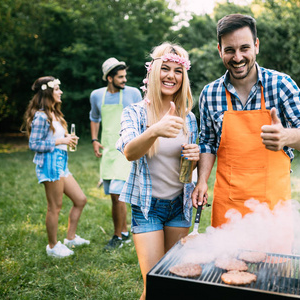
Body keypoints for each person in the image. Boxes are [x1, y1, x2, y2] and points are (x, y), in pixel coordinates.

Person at [192, 14, 300, 253]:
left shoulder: (281, 84)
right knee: (226, 272)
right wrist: (201, 181)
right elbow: (208, 142)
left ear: (257, 46)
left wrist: (286, 137)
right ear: (220, 50)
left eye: (244, 48)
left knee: (274, 279)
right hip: (228, 206)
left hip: (271, 208)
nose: (238, 57)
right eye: (230, 50)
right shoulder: (209, 94)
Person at [116, 42, 198, 300]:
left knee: (174, 282)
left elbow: (186, 167)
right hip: (147, 206)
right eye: (165, 68)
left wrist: (194, 158)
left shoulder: (190, 118)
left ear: (183, 77)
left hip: (179, 206)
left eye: (178, 71)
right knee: (154, 287)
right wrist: (155, 130)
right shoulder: (135, 113)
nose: (171, 76)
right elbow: (129, 152)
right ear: (153, 72)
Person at [23, 76, 90, 258]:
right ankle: (53, 246)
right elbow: (34, 144)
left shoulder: (55, 114)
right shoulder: (40, 116)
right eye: (57, 89)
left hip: (61, 163)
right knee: (55, 207)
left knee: (80, 199)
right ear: (48, 92)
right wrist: (61, 140)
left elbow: (54, 139)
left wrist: (67, 139)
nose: (60, 92)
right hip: (49, 164)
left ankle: (70, 238)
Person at [89, 58, 142, 250]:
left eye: (125, 76)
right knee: (113, 196)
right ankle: (125, 232)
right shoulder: (96, 96)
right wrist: (95, 140)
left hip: (126, 150)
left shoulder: (134, 93)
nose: (124, 80)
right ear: (109, 78)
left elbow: (142, 117)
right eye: (120, 77)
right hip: (108, 152)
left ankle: (117, 236)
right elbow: (94, 118)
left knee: (117, 193)